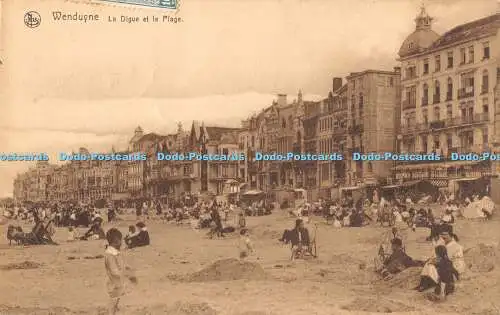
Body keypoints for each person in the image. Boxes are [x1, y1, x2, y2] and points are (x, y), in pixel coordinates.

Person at [415, 225, 465, 292]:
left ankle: (428, 284)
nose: (443, 236)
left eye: (445, 234)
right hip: (443, 264)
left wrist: (437, 262)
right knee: (428, 264)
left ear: (450, 235)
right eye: (442, 234)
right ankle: (423, 284)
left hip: (452, 268)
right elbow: (437, 255)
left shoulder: (457, 247)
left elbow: (457, 263)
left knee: (431, 267)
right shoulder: (442, 244)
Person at [104, 228, 137, 315]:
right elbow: (114, 270)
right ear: (116, 241)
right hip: (113, 283)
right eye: (121, 240)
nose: (122, 242)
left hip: (118, 282)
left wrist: (126, 268)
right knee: (113, 301)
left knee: (116, 300)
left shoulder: (115, 253)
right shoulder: (110, 254)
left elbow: (120, 265)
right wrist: (125, 273)